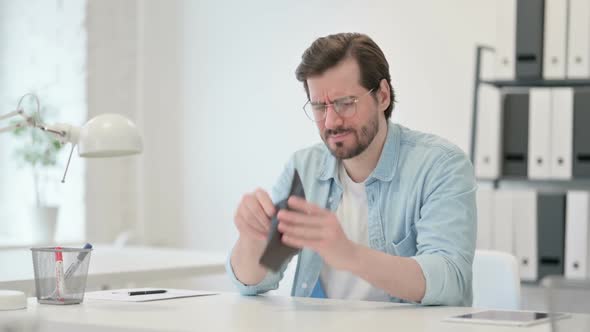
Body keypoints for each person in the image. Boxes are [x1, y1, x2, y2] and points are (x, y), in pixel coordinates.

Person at [226, 32, 476, 306]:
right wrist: (251, 239)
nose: (332, 120)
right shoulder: (304, 167)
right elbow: (254, 283)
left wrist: (349, 255)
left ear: (382, 96)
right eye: (320, 106)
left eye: (346, 103)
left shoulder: (441, 165)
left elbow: (450, 281)